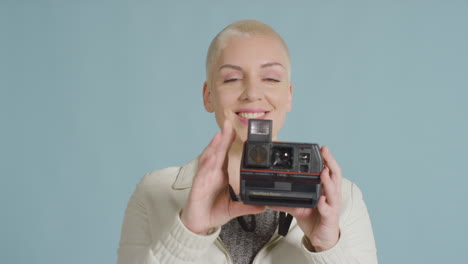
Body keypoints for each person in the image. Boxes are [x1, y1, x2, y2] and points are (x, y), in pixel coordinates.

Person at [117, 19, 378, 264]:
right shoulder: (153, 193)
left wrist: (327, 245)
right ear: (209, 96)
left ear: (289, 95)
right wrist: (189, 231)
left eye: (271, 78)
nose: (252, 93)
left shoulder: (344, 200)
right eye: (232, 79)